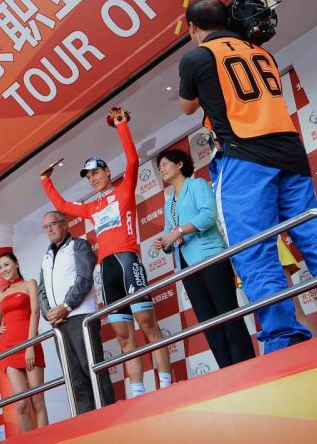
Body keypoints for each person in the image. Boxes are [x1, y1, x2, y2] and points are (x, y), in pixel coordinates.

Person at [178, 0, 317, 353]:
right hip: (289, 152)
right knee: (316, 238)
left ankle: (283, 338)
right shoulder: (261, 52)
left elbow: (186, 106)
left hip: (244, 155)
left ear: (193, 28)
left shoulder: (195, 57)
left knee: (254, 251)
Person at [40, 107, 173, 399]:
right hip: (108, 270)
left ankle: (166, 386)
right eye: (88, 177)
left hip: (128, 261)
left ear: (107, 172)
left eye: (96, 173)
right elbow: (62, 206)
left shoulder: (124, 190)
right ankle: (138, 394)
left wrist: (121, 125)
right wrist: (45, 180)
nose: (93, 179)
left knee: (148, 326)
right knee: (125, 338)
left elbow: (133, 160)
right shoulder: (91, 207)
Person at [152, 148, 255, 368]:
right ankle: (227, 371)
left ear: (180, 164)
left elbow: (208, 215)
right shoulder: (168, 203)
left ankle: (247, 367)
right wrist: (164, 242)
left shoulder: (197, 185)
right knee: (209, 325)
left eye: (165, 164)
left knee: (228, 315)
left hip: (211, 258)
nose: (161, 170)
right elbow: (171, 235)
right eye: (159, 168)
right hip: (187, 268)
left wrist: (179, 231)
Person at [36, 210, 116, 414]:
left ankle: (109, 416)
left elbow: (84, 278)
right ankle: (86, 422)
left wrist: (66, 307)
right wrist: (49, 313)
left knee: (92, 368)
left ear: (65, 224)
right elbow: (42, 290)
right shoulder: (46, 257)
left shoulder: (79, 245)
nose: (49, 229)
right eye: (46, 226)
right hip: (59, 324)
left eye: (53, 224)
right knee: (73, 377)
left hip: (81, 317)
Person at [0, 252, 49, 432]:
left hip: (30, 346)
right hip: (9, 351)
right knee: (21, 405)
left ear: (16, 264)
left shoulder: (30, 284)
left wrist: (30, 346)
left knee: (37, 402)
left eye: (6, 265)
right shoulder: (0, 295)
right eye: (0, 267)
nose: (3, 270)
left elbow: (35, 313)